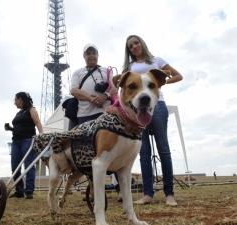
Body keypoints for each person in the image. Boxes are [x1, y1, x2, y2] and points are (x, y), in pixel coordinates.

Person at [122, 35, 183, 206]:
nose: (134, 47)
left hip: (157, 106)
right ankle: (148, 193)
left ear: (142, 43)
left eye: (136, 43)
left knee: (163, 149)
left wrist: (158, 83)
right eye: (130, 46)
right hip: (136, 110)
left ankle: (169, 193)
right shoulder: (129, 67)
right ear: (128, 50)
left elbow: (178, 76)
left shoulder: (156, 60)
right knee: (143, 152)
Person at [70, 43, 117, 200]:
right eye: (88, 53)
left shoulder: (106, 71)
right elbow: (74, 90)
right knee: (89, 154)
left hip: (105, 115)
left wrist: (104, 97)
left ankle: (119, 189)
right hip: (84, 115)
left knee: (112, 150)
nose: (91, 56)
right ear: (84, 56)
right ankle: (94, 192)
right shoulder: (78, 72)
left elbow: (115, 87)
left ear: (98, 55)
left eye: (94, 53)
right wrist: (91, 98)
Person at [5, 92, 43, 199]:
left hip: (28, 140)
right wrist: (10, 128)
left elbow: (38, 123)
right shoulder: (18, 113)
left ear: (20, 99)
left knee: (29, 165)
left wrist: (41, 137)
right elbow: (19, 127)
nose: (14, 103)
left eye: (15, 100)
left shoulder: (31, 109)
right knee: (15, 167)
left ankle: (29, 190)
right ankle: (19, 190)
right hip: (16, 141)